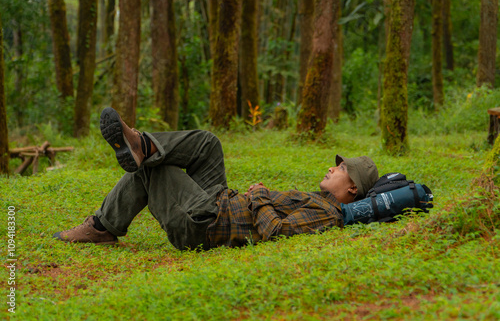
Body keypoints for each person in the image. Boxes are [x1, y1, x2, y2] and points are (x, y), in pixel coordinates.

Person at [54, 107, 379, 250]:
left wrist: (260, 195)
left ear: (352, 188)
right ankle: (143, 144)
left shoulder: (328, 213)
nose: (333, 168)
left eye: (342, 169)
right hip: (218, 200)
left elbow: (276, 232)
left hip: (204, 223)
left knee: (158, 170)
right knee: (208, 142)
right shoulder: (317, 200)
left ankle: (101, 227)